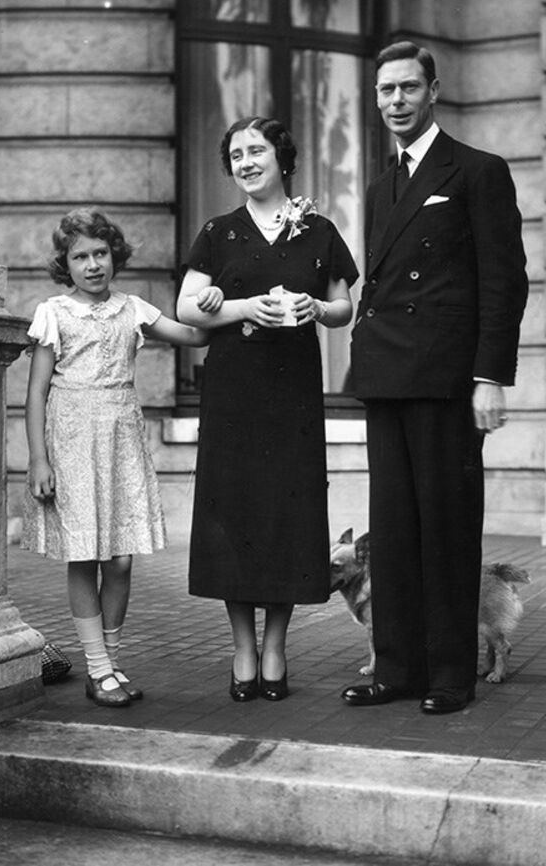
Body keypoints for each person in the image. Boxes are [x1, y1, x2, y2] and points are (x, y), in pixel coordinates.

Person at [343, 42, 528, 715]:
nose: (395, 101)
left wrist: (490, 377)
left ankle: (451, 673)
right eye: (385, 90)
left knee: (447, 528)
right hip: (388, 373)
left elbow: (504, 283)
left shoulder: (477, 171)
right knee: (391, 530)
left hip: (449, 379)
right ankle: (396, 666)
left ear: (434, 91)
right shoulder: (379, 182)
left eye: (407, 88)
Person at [177, 116, 358, 702]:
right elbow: (187, 309)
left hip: (293, 395)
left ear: (283, 157)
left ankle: (277, 646)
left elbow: (342, 308)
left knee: (287, 515)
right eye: (236, 154)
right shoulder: (219, 232)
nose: (246, 162)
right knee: (237, 513)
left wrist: (315, 309)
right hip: (234, 395)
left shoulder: (319, 230)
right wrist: (238, 305)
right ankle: (242, 648)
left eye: (257, 150)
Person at [21, 207, 208, 707]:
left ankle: (111, 663)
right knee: (85, 555)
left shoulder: (133, 309)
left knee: (120, 559)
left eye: (100, 253)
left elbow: (196, 334)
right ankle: (98, 668)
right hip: (72, 441)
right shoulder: (54, 313)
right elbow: (36, 393)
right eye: (80, 256)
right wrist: (39, 460)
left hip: (121, 438)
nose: (92, 264)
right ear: (66, 264)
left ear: (114, 255)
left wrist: (211, 296)